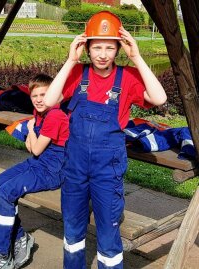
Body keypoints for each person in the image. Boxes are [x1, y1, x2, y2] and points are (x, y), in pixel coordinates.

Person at [44, 11, 167, 269]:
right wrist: (69, 61)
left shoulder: (128, 77)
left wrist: (137, 56)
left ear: (118, 48)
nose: (102, 54)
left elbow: (159, 99)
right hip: (75, 170)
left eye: (110, 47)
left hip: (107, 172)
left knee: (109, 233)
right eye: (97, 47)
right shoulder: (77, 74)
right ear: (86, 48)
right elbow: (48, 101)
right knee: (73, 229)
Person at [0, 74, 70, 269]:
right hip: (39, 162)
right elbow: (32, 148)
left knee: (6, 191)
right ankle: (21, 237)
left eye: (44, 95)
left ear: (54, 95)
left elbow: (35, 147)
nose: (38, 100)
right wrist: (31, 130)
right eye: (34, 95)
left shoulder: (55, 115)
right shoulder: (39, 114)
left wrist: (30, 129)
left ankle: (2, 255)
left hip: (53, 170)